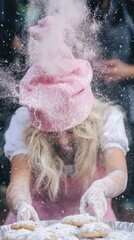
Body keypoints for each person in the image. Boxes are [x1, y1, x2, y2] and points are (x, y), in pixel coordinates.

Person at [4, 15, 128, 225]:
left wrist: (100, 187)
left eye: (71, 130)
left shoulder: (107, 118)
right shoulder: (22, 120)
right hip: (35, 221)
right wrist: (22, 205)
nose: (62, 141)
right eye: (51, 133)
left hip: (94, 220)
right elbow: (18, 185)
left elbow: (119, 172)